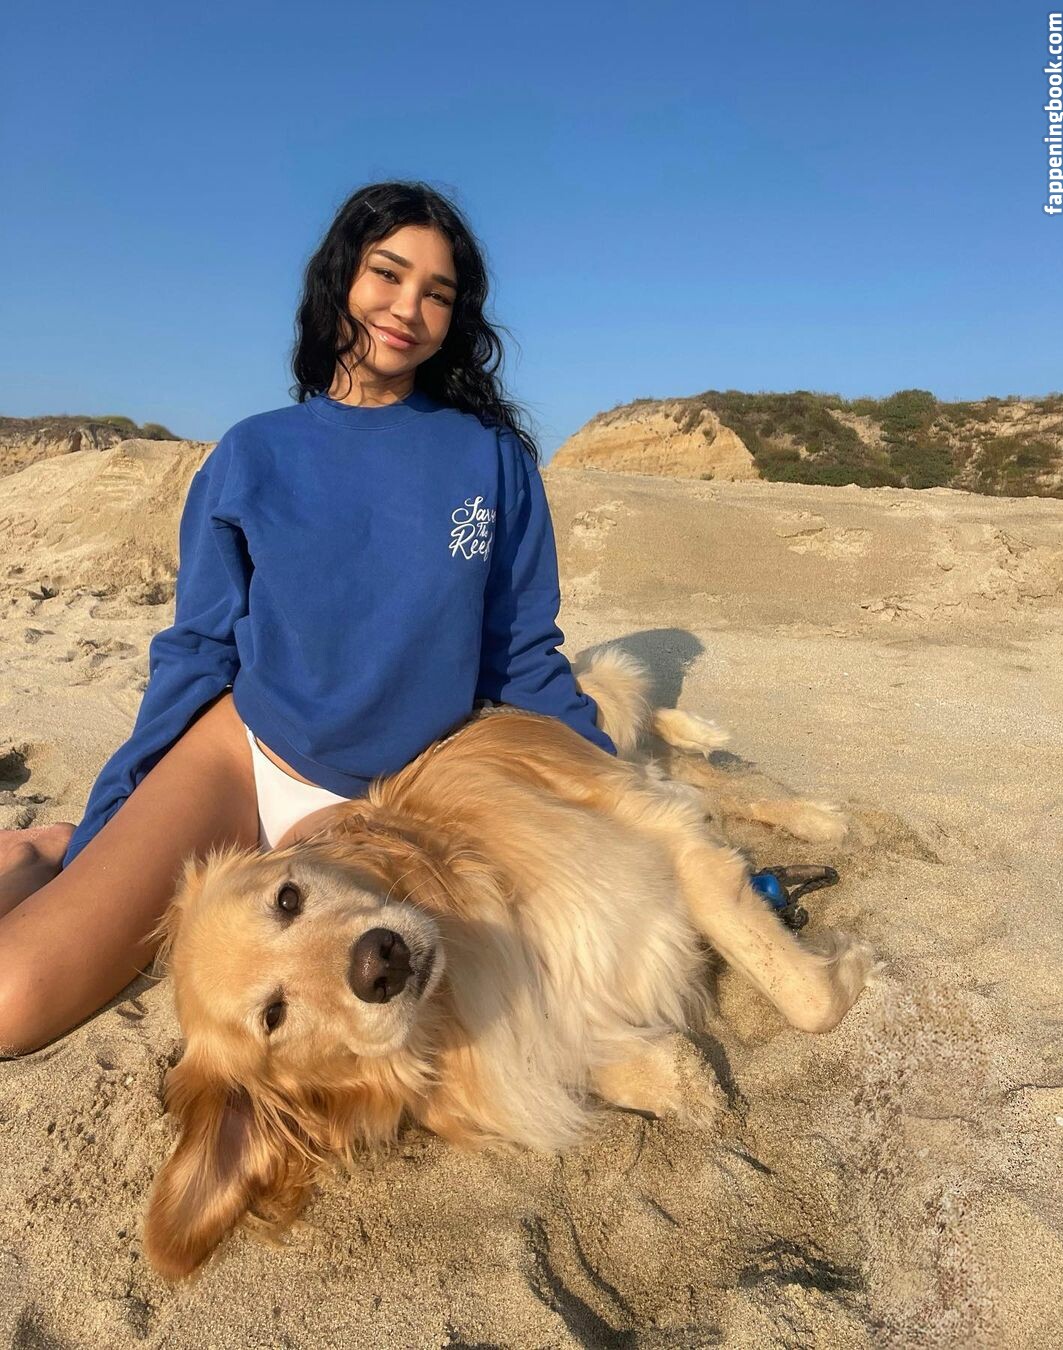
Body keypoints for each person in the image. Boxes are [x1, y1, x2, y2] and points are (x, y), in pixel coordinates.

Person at [0, 180, 615, 1058]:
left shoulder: (491, 460)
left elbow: (520, 655)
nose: (408, 308)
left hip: (381, 802)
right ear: (340, 279)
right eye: (387, 274)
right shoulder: (253, 452)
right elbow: (198, 651)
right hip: (237, 755)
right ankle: (53, 849)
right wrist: (111, 826)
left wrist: (619, 792)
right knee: (12, 1003)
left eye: (438, 293)